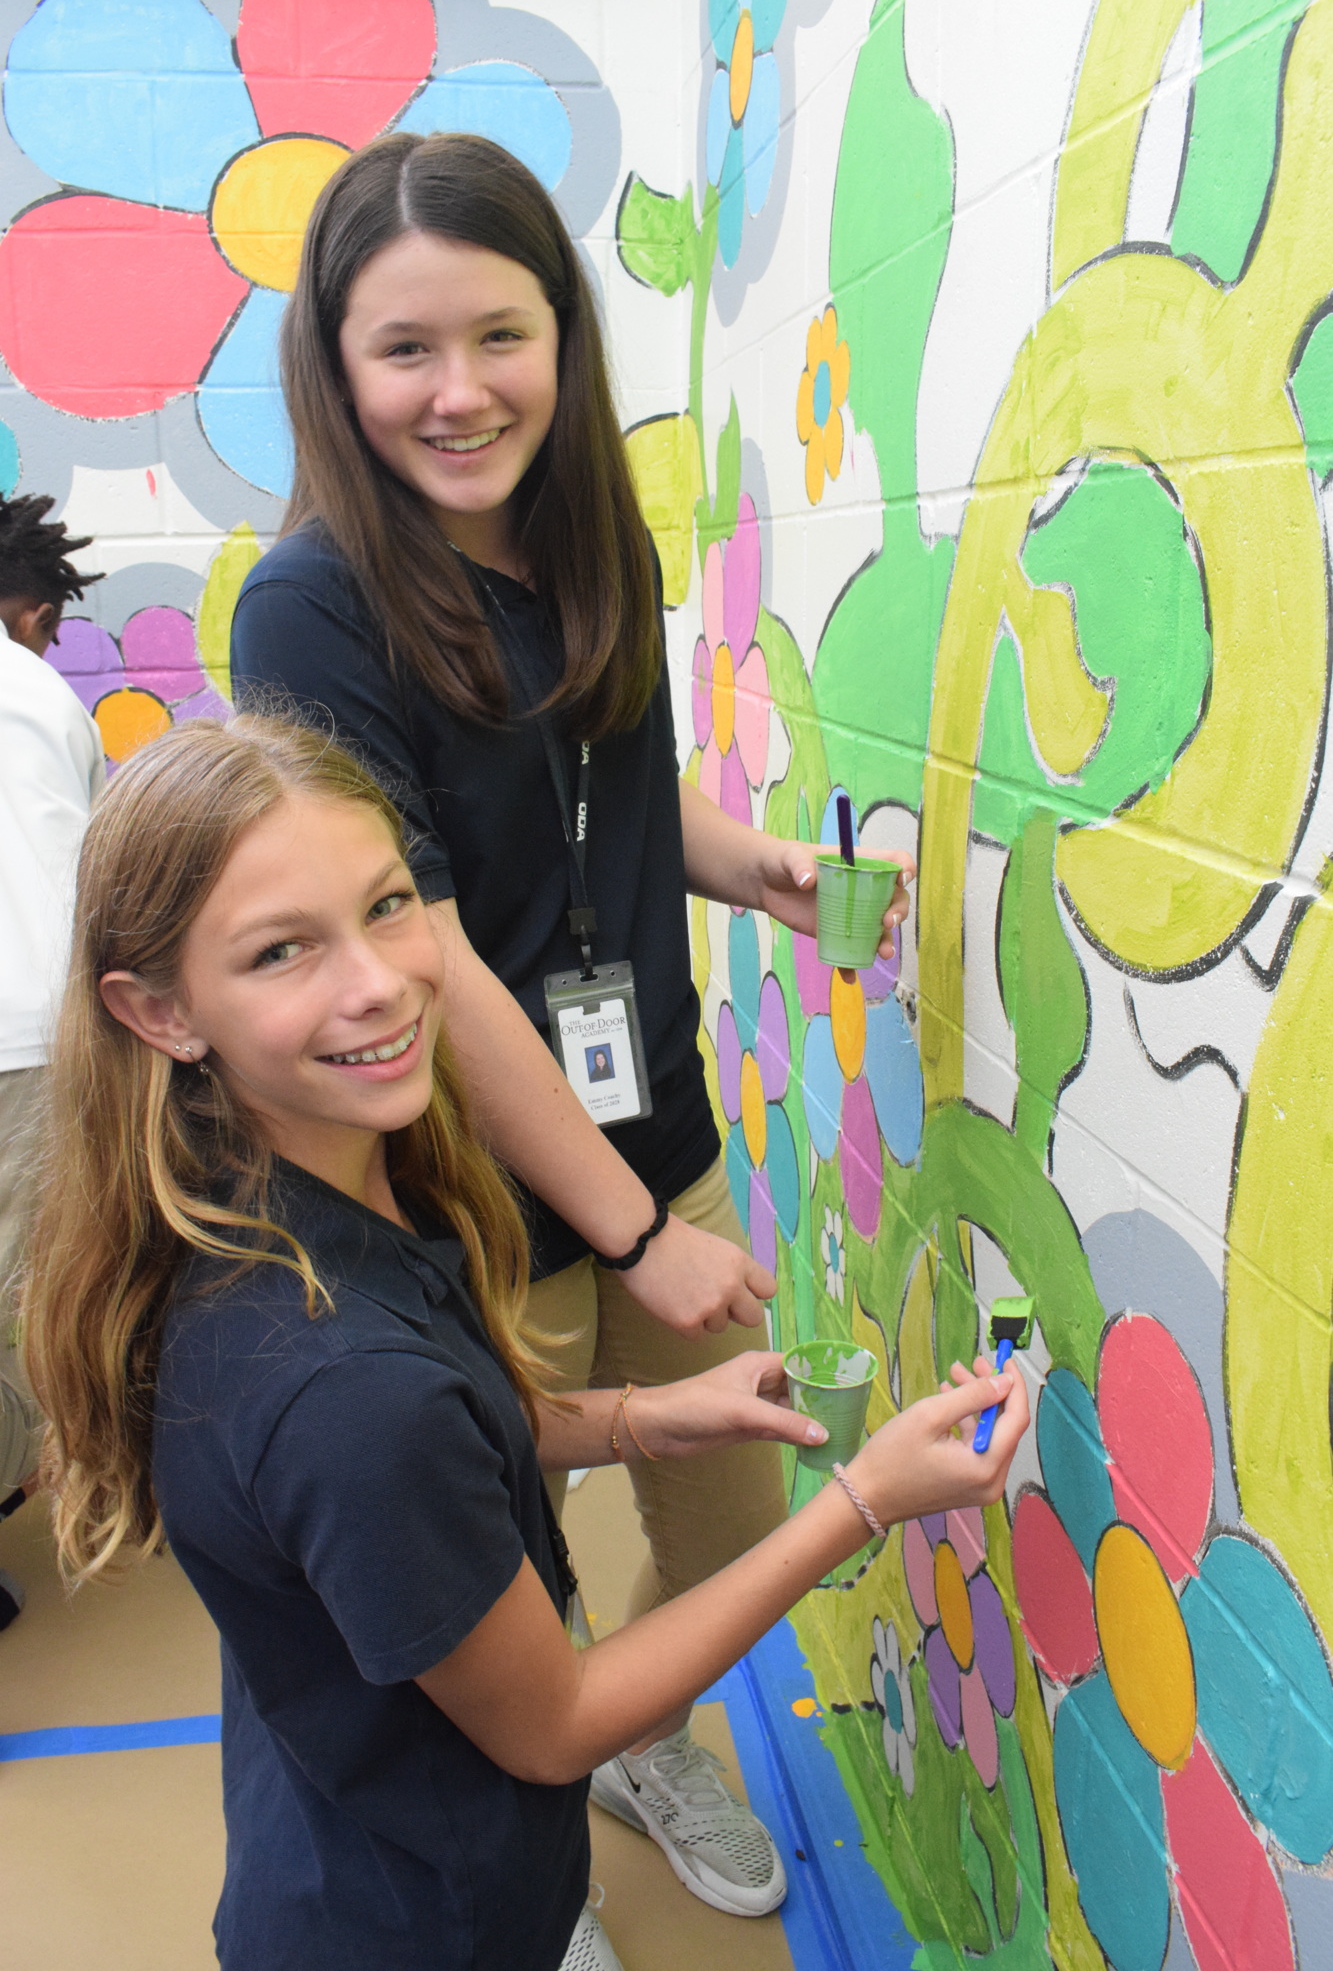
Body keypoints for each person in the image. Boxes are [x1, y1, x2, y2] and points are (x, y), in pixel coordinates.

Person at [20, 716, 1025, 1971]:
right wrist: (868, 1499)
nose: (379, 980)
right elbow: (558, 1723)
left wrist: (645, 1415)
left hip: (347, 1830)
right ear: (159, 1011)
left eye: (388, 905)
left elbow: (456, 1413)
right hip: (424, 1925)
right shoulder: (343, 1391)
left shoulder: (305, 1191)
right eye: (282, 949)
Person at [230, 131, 916, 1910]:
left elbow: (606, 785)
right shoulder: (312, 606)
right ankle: (527, 1868)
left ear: (563, 333)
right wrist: (624, 1232)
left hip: (652, 1138)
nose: (459, 394)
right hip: (465, 1194)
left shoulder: (585, 531)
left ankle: (637, 1749)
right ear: (335, 360)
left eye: (499, 336)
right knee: (501, 1574)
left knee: (719, 1508)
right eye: (404, 350)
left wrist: (751, 865)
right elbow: (426, 955)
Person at [0, 492, 103, 1625]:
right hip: (22, 1039)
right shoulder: (28, 691)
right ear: (28, 610)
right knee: (23, 1293)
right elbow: (77, 876)